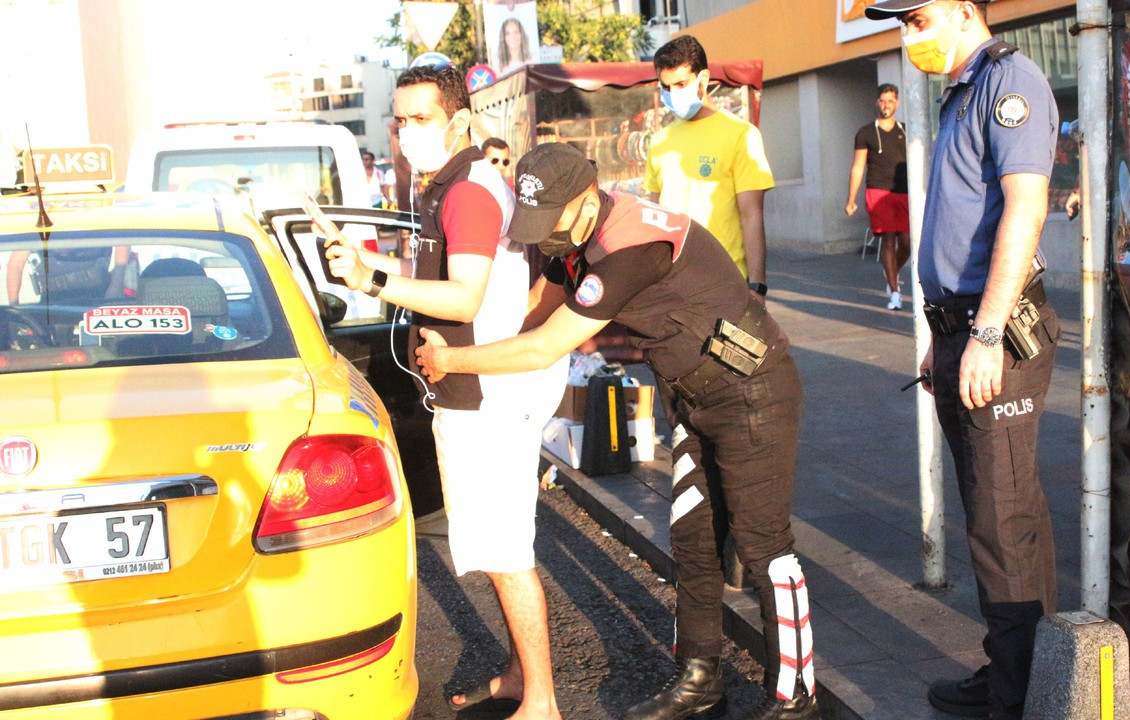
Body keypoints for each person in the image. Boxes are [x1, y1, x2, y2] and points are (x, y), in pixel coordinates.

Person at [416, 143, 819, 720]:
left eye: (547, 221)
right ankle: (701, 678)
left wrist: (455, 362)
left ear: (585, 198)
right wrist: (471, 347)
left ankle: (796, 698)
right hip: (693, 396)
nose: (543, 238)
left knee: (763, 548)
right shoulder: (574, 237)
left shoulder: (631, 247)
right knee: (693, 543)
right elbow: (534, 312)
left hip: (753, 391)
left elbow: (544, 344)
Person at [308, 63, 567, 720]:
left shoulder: (469, 192)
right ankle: (518, 674)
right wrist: (375, 269)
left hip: (489, 393)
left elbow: (465, 295)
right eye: (399, 119)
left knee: (507, 553)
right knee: (490, 543)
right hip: (476, 387)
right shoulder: (447, 185)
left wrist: (372, 280)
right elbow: (454, 280)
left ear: (458, 120)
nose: (405, 132)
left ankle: (541, 702)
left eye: (419, 118)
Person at [865, 1, 1061, 718]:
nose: (907, 34)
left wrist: (982, 335)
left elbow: (1025, 208)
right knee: (1004, 511)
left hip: (995, 331)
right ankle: (1021, 669)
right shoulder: (962, 93)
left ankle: (1016, 695)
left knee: (1000, 520)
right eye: (901, 23)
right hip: (961, 328)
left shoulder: (1010, 84)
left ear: (965, 11)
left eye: (917, 18)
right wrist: (941, 332)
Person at [645, 35, 775, 297]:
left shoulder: (741, 135)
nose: (672, 94)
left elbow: (752, 216)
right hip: (670, 286)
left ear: (702, 79)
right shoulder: (659, 142)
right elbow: (654, 215)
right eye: (666, 87)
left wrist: (757, 286)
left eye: (681, 84)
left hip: (725, 283)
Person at [845, 83, 911, 310]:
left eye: (891, 100)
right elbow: (858, 166)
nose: (886, 105)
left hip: (904, 191)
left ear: (897, 103)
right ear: (877, 102)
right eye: (883, 100)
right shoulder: (866, 133)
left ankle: (891, 269)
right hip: (877, 190)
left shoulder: (906, 129)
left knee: (907, 243)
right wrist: (851, 199)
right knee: (888, 240)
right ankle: (894, 292)